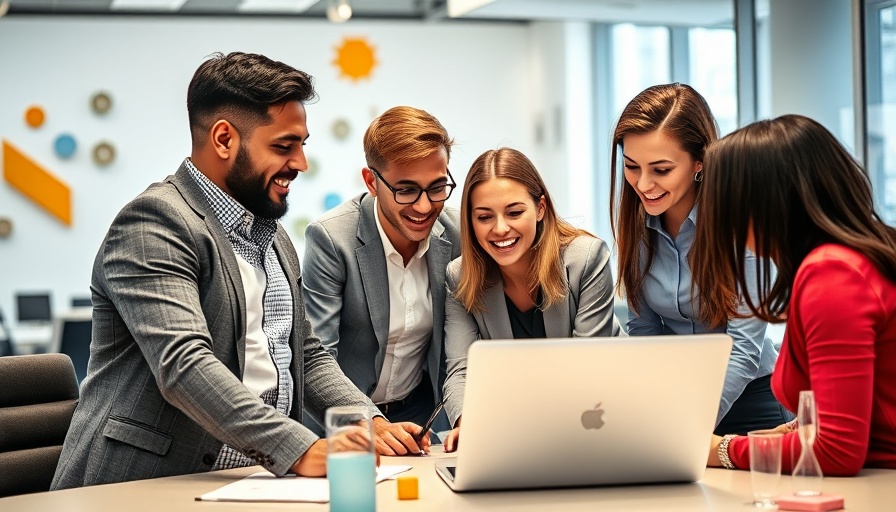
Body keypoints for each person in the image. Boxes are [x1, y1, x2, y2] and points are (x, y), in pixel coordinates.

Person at [51, 52, 427, 490]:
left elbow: (304, 353)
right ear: (225, 139)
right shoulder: (155, 223)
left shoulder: (273, 237)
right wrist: (300, 448)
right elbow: (184, 364)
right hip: (144, 484)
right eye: (284, 146)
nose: (301, 163)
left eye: (302, 145)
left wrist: (369, 423)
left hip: (249, 480)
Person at [700, 114, 896, 475]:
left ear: (760, 205)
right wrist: (788, 435)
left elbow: (837, 450)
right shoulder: (848, 260)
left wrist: (723, 448)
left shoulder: (832, 275)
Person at [610, 83, 790, 435]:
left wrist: (689, 428)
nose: (643, 184)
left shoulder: (740, 227)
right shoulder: (636, 226)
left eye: (661, 170)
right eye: (632, 167)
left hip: (749, 403)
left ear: (699, 163)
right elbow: (645, 330)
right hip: (673, 402)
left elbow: (743, 349)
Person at [442, 147, 620, 452]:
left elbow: (587, 365)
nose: (500, 229)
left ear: (540, 208)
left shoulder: (586, 258)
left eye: (514, 212)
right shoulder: (460, 276)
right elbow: (461, 370)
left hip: (602, 416)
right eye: (484, 216)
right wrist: (467, 420)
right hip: (520, 436)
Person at [301, 106, 460, 441]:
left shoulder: (458, 233)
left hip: (420, 421)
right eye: (406, 190)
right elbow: (317, 356)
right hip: (344, 423)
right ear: (371, 181)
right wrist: (368, 422)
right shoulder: (332, 239)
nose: (424, 206)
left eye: (436, 187)